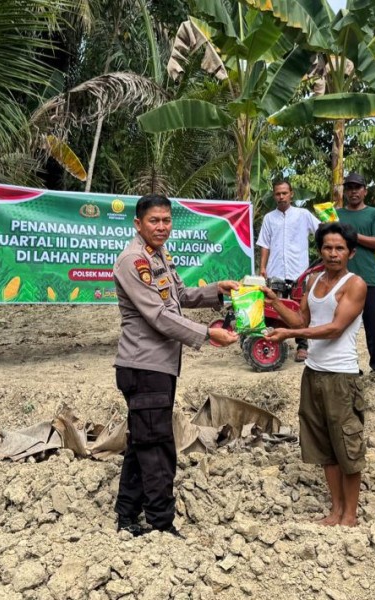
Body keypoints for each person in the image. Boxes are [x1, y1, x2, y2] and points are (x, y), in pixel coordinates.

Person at [112, 194, 240, 538]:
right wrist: (208, 335)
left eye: (166, 220)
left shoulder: (158, 256)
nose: (162, 227)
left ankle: (126, 515)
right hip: (144, 366)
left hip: (159, 366)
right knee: (156, 445)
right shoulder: (132, 261)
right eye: (154, 221)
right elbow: (157, 315)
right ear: (138, 223)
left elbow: (179, 295)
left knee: (143, 440)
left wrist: (218, 291)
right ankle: (160, 523)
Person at [263, 222, 367, 526]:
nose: (332, 254)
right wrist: (275, 303)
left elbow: (334, 329)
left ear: (351, 252)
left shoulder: (354, 284)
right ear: (319, 250)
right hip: (314, 373)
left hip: (341, 377)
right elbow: (300, 320)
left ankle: (350, 515)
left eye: (339, 248)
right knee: (324, 446)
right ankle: (335, 510)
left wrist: (286, 335)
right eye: (327, 247)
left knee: (347, 445)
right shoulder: (315, 281)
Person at [257, 179, 320, 362]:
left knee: (300, 310)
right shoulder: (269, 218)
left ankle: (302, 346)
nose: (281, 196)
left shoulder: (303, 215)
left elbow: (321, 231)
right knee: (273, 308)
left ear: (291, 194)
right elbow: (264, 245)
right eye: (278, 193)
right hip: (275, 271)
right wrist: (262, 267)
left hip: (299, 272)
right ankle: (273, 343)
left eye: (285, 193)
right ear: (274, 195)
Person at [336, 172, 375, 373]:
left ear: (365, 191)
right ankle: (348, 366)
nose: (353, 191)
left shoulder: (374, 214)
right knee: (343, 325)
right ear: (345, 192)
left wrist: (352, 236)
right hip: (341, 280)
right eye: (349, 188)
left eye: (357, 187)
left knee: (374, 326)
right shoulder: (336, 214)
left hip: (369, 278)